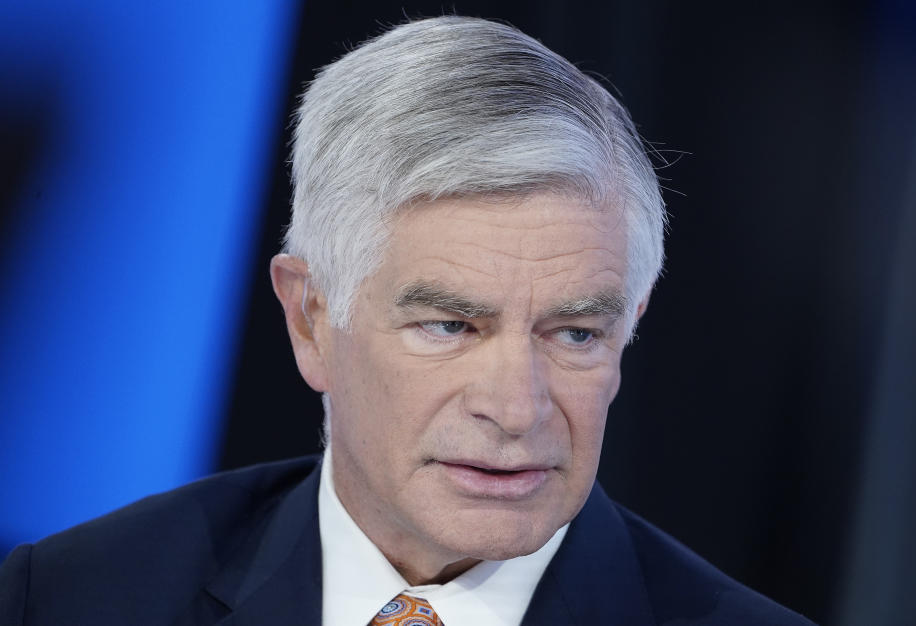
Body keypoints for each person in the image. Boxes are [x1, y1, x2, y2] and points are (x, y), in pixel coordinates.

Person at [0, 16, 815, 626]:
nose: (517, 407)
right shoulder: (74, 598)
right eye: (451, 326)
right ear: (312, 317)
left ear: (629, 325)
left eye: (574, 334)